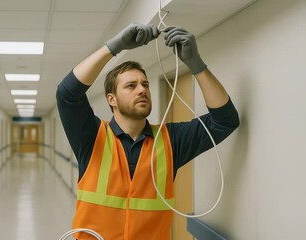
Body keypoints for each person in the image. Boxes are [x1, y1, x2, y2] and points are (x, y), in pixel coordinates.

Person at [56, 23, 240, 240]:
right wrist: (114, 47)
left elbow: (225, 121)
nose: (142, 89)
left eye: (145, 84)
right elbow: (67, 94)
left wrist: (196, 64)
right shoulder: (92, 137)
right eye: (131, 86)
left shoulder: (171, 141)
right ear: (111, 99)